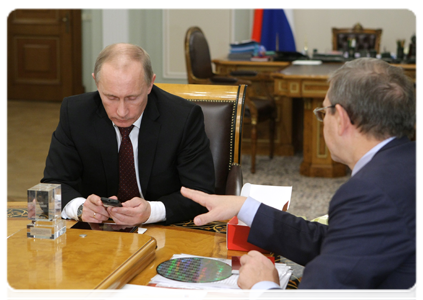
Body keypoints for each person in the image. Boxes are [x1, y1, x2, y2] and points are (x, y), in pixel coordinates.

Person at [181, 58, 419, 300]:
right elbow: (338, 242)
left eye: (324, 111)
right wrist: (245, 207)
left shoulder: (369, 192)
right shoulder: (411, 163)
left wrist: (261, 287)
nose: (323, 120)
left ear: (342, 120)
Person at [42, 43, 215, 225]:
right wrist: (80, 208)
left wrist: (152, 211)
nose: (122, 111)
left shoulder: (182, 118)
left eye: (132, 98)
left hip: (166, 231)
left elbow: (202, 193)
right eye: (111, 98)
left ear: (150, 84)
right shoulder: (76, 113)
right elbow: (53, 184)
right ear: (97, 83)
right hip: (96, 234)